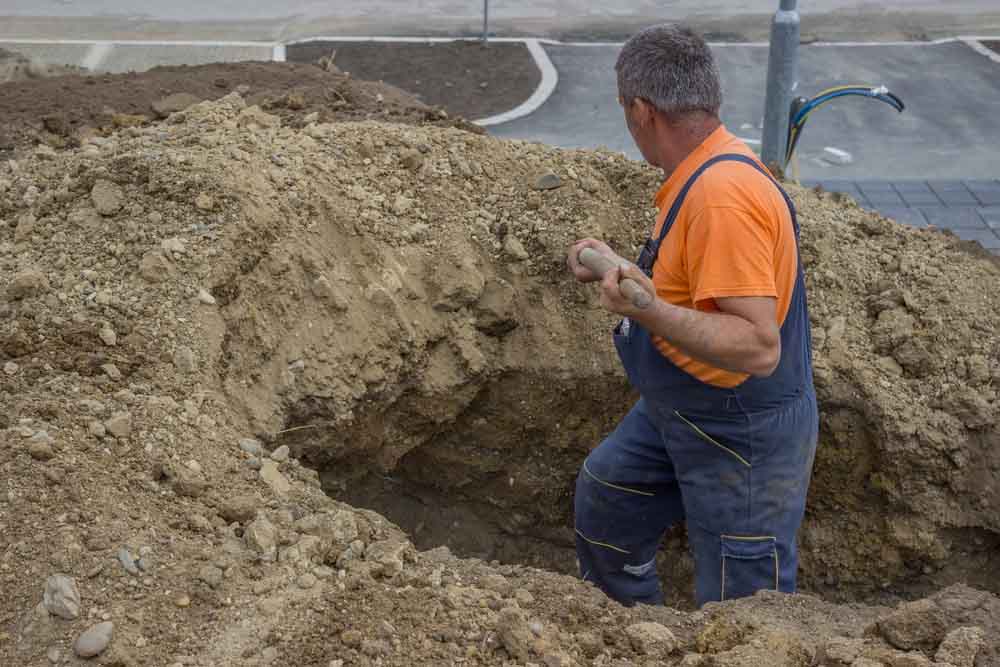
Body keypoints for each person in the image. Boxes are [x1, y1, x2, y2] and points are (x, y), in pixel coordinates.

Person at [567, 24, 818, 608]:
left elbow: (758, 347)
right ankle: (637, 636)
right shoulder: (699, 173)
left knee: (744, 607)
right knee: (609, 499)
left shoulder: (722, 196)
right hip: (679, 408)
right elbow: (698, 288)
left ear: (641, 110)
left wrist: (648, 309)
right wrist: (622, 270)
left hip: (741, 433)